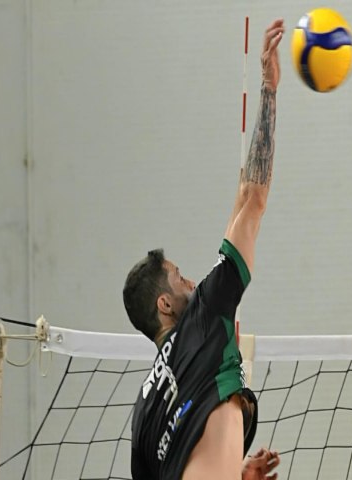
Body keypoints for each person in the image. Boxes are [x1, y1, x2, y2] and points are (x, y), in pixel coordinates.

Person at [122, 18, 284, 480]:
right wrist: (270, 90)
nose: (190, 279)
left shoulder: (144, 413)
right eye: (178, 276)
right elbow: (253, 200)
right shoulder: (204, 318)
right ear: (165, 303)